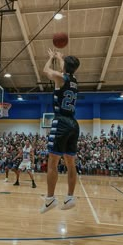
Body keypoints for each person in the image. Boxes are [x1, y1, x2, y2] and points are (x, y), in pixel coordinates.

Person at [40, 48, 80, 213]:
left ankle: (50, 199)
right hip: (73, 123)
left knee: (52, 163)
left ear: (64, 68)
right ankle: (70, 197)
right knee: (71, 163)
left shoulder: (60, 78)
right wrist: (61, 58)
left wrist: (51, 58)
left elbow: (45, 71)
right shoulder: (74, 80)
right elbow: (67, 69)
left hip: (61, 122)